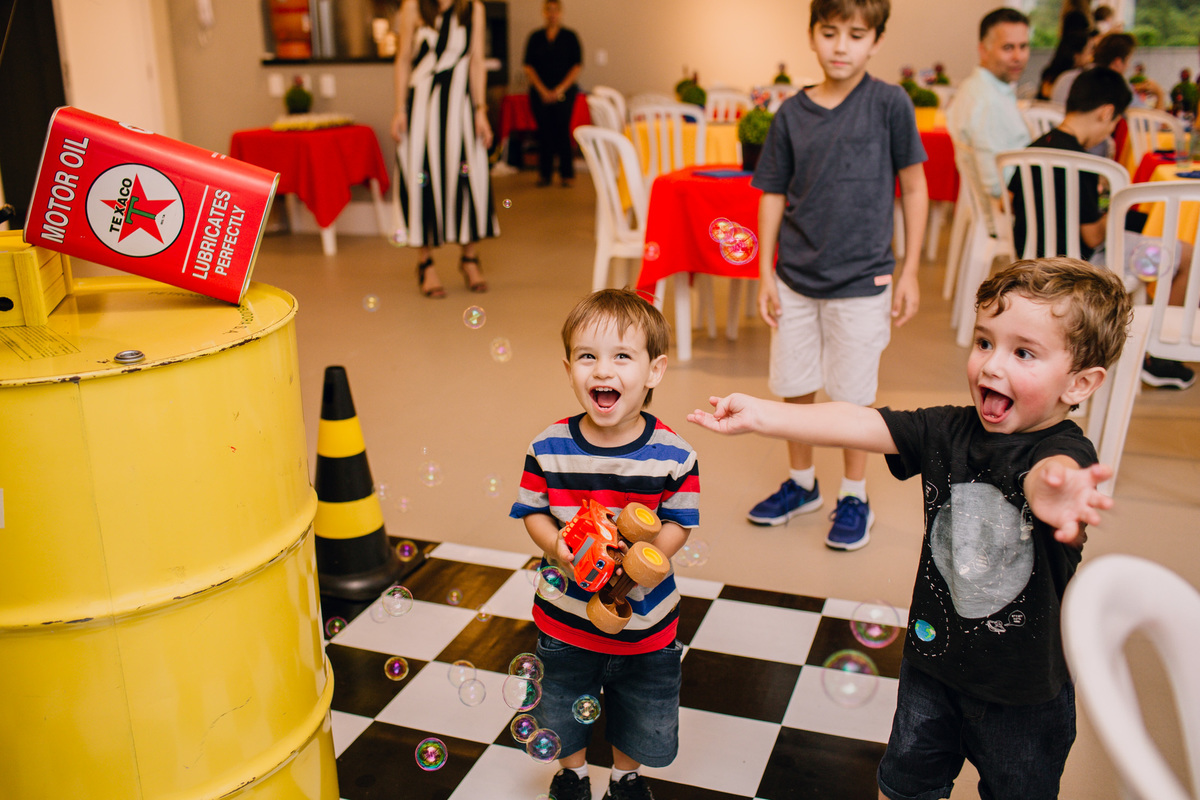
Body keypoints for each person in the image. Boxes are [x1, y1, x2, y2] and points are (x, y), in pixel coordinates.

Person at [688, 257, 1131, 800]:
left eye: (1023, 353)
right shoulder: (947, 428)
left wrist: (1055, 491)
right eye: (985, 342)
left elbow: (1046, 478)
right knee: (904, 788)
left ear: (1081, 383)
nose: (991, 366)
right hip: (933, 667)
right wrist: (764, 415)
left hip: (1024, 693)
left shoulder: (1064, 454)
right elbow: (860, 421)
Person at [745, 0, 928, 551]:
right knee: (795, 386)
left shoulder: (890, 103)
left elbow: (915, 188)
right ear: (812, 36)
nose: (841, 45)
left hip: (864, 280)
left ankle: (855, 494)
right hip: (795, 278)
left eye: (856, 34)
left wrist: (911, 269)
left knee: (852, 397)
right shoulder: (790, 115)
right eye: (830, 33)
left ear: (875, 41)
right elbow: (772, 193)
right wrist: (764, 273)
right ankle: (802, 485)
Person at [511, 288, 699, 800]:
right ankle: (571, 772)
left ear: (654, 371)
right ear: (568, 366)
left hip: (646, 622)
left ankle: (625, 776)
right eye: (587, 356)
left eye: (622, 356)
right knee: (560, 702)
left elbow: (681, 522)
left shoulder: (674, 454)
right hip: (564, 617)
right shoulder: (547, 446)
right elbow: (532, 511)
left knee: (643, 706)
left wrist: (645, 561)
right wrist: (558, 549)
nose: (602, 371)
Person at [1010, 67, 1196, 389]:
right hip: (1085, 264)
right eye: (1113, 124)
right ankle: (1155, 356)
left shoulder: (1036, 146)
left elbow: (1009, 199)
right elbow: (1094, 235)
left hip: (1033, 258)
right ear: (1107, 112)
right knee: (1183, 255)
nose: (1110, 133)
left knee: (1145, 235)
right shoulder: (1083, 162)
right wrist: (1115, 205)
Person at [391, 0, 498, 298]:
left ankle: (469, 258)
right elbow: (402, 61)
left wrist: (480, 110)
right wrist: (400, 110)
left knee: (469, 179)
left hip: (461, 108)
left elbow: (476, 61)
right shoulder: (413, 6)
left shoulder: (472, 8)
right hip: (422, 108)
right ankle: (425, 264)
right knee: (422, 180)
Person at [948, 8, 1032, 205]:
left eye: (1024, 46)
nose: (1018, 56)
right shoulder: (987, 101)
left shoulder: (979, 88)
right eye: (1008, 48)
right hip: (1011, 216)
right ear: (983, 50)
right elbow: (996, 187)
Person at [522, 0, 583, 188]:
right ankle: (545, 174)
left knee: (562, 130)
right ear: (544, 13)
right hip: (540, 92)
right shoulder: (535, 37)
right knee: (544, 131)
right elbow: (528, 66)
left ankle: (567, 174)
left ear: (561, 13)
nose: (552, 14)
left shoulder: (570, 37)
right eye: (548, 10)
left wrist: (559, 90)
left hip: (564, 91)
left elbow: (576, 66)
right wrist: (542, 90)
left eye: (556, 11)